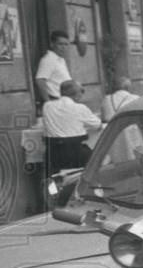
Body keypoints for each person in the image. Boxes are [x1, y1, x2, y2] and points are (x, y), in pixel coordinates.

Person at [38, 80, 104, 210]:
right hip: (76, 152)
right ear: (77, 95)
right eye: (82, 91)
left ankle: (54, 200)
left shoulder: (47, 106)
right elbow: (98, 125)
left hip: (54, 152)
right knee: (95, 169)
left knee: (50, 176)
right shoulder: (80, 108)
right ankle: (96, 196)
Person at [35, 30, 72, 104]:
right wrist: (48, 102)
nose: (63, 47)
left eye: (66, 44)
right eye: (60, 44)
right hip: (54, 100)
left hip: (64, 100)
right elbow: (40, 81)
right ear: (52, 44)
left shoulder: (60, 59)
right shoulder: (49, 59)